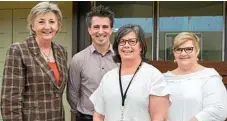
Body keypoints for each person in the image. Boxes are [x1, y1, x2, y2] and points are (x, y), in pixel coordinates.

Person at [1, 2, 68, 121]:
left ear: (58, 26)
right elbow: (10, 99)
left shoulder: (61, 51)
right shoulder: (19, 50)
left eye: (52, 22)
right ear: (33, 26)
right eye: (41, 21)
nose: (47, 27)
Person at [90, 24, 170, 121]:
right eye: (122, 42)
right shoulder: (108, 77)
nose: (126, 45)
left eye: (132, 42)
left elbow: (158, 118)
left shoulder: (153, 76)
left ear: (141, 46)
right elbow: (98, 115)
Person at [67, 5, 117, 121]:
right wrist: (82, 113)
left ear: (111, 29)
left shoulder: (121, 58)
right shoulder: (78, 59)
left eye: (105, 27)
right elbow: (72, 93)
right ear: (89, 30)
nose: (100, 31)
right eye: (96, 27)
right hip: (86, 117)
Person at [163, 32, 227, 121]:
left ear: (197, 51)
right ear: (174, 53)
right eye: (178, 49)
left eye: (189, 49)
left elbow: (218, 109)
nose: (183, 53)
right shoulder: (163, 79)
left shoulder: (209, 77)